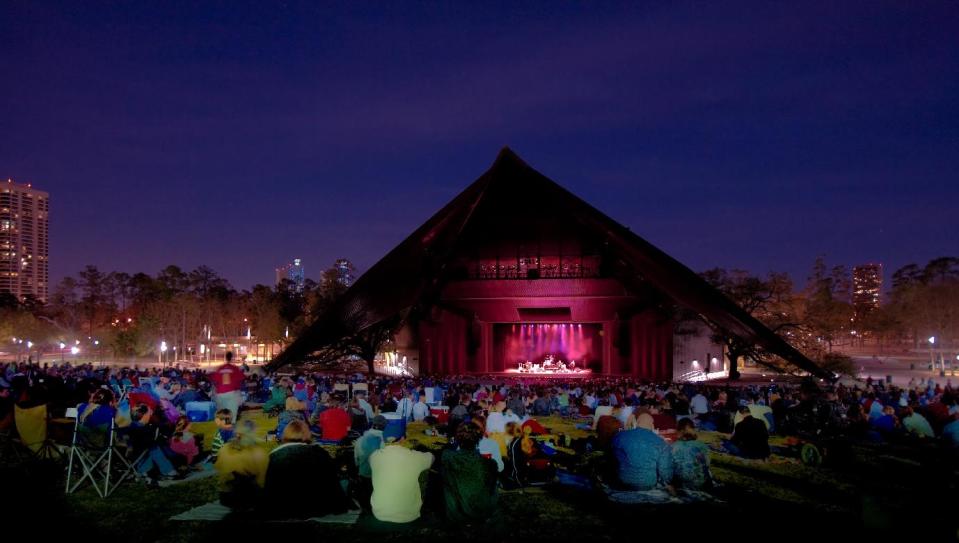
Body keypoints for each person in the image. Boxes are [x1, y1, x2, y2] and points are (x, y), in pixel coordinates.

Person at [261, 420, 352, 519]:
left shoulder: (272, 456)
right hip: (317, 508)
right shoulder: (318, 453)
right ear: (306, 434)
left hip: (280, 509)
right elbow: (331, 478)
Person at [443, 422, 499, 523]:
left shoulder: (447, 457)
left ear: (458, 438)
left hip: (456, 514)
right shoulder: (490, 463)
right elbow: (491, 488)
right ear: (478, 439)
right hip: (484, 511)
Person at [369, 439, 434, 523]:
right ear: (402, 439)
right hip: (408, 516)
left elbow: (370, 459)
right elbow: (432, 458)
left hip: (379, 513)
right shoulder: (414, 456)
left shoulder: (374, 455)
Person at [215, 419, 268, 511]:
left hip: (226, 496)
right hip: (248, 497)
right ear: (253, 432)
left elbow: (220, 470)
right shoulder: (257, 452)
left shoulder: (224, 449)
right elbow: (262, 482)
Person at [610, 414, 673, 490]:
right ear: (652, 425)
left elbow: (611, 459)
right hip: (647, 485)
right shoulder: (661, 442)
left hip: (622, 482)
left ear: (636, 423)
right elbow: (665, 473)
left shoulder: (619, 436)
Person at [354, 415, 387, 510]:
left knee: (365, 499)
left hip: (363, 475)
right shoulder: (382, 441)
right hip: (376, 478)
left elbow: (356, 460)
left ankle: (365, 508)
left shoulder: (360, 439)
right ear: (384, 426)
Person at [671, 418, 712, 490]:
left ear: (678, 430)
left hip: (682, 486)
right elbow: (707, 464)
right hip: (702, 483)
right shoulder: (702, 445)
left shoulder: (674, 447)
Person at [209, 352, 245, 423]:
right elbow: (241, 378)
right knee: (232, 417)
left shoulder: (220, 368)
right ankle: (230, 429)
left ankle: (222, 430)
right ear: (232, 358)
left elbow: (214, 379)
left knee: (222, 416)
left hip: (219, 395)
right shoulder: (235, 368)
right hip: (231, 394)